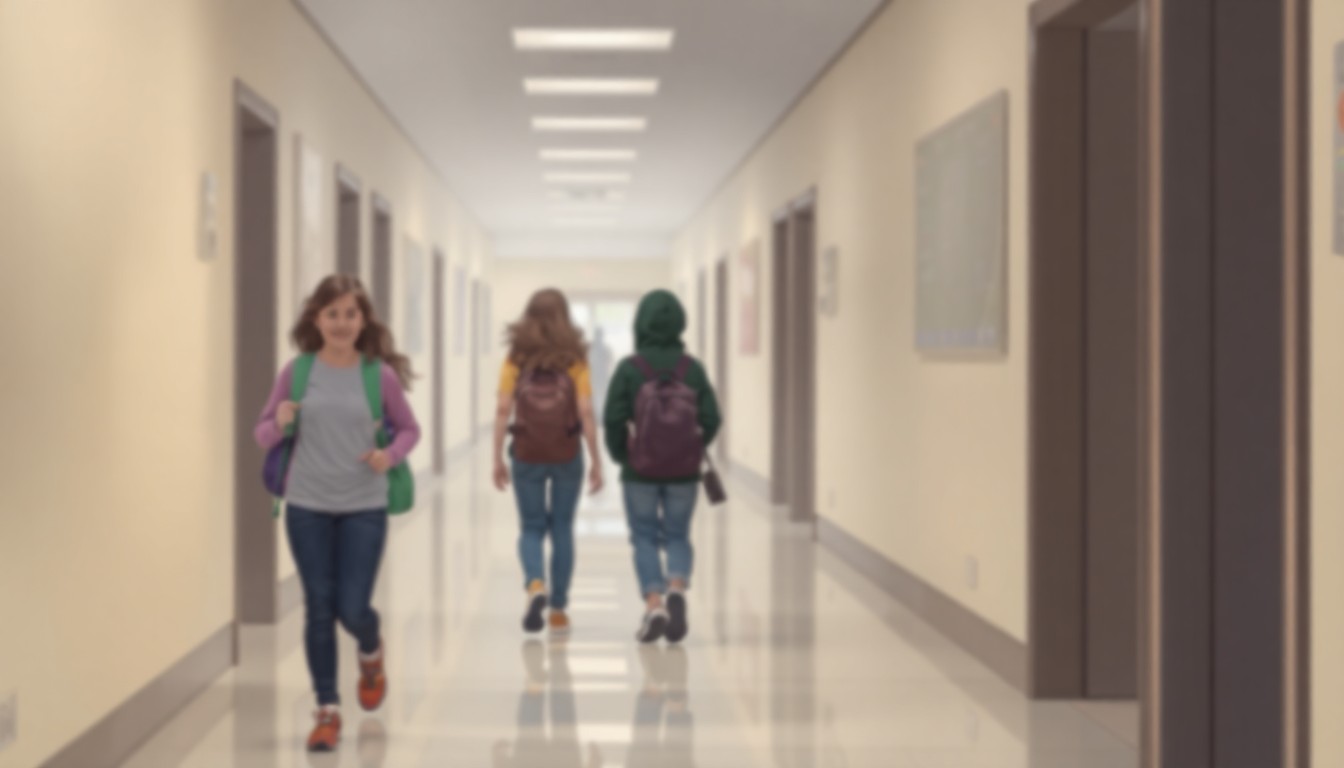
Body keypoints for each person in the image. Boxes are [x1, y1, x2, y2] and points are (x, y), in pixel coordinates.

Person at [254, 275, 421, 752]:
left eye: (351, 314)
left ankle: (370, 648)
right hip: (306, 506)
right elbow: (262, 433)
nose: (342, 323)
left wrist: (389, 457)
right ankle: (326, 710)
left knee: (352, 607)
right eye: (332, 314)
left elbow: (410, 429)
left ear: (363, 319)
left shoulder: (377, 375)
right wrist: (279, 422)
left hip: (363, 507)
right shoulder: (298, 372)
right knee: (319, 607)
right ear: (316, 319)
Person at [603, 290, 721, 643]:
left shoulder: (629, 368)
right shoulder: (692, 369)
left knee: (643, 537)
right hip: (684, 472)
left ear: (641, 323)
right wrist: (691, 448)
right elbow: (712, 418)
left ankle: (654, 605)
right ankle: (677, 589)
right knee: (677, 535)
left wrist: (624, 456)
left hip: (640, 470)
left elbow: (612, 419)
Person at [493, 289, 604, 635]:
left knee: (530, 528)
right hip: (567, 453)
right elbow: (585, 411)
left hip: (526, 452)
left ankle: (535, 585)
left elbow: (501, 409)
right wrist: (597, 459)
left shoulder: (516, 357)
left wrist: (496, 456)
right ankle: (557, 608)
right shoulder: (575, 358)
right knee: (561, 529)